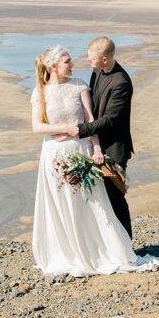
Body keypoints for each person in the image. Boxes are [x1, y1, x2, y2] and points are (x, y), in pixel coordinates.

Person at [30, 44, 159, 276]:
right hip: (53, 154)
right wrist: (63, 128)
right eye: (67, 62)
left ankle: (97, 251)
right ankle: (67, 252)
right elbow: (37, 127)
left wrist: (96, 148)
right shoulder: (40, 91)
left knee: (89, 203)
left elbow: (91, 120)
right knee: (60, 203)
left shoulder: (80, 85)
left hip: (81, 150)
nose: (73, 64)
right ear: (54, 66)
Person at [59, 36, 134, 238]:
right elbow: (92, 104)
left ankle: (126, 245)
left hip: (114, 148)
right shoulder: (97, 70)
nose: (88, 60)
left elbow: (109, 120)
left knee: (115, 198)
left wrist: (78, 129)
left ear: (105, 59)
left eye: (92, 58)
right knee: (99, 198)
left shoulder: (121, 82)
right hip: (96, 143)